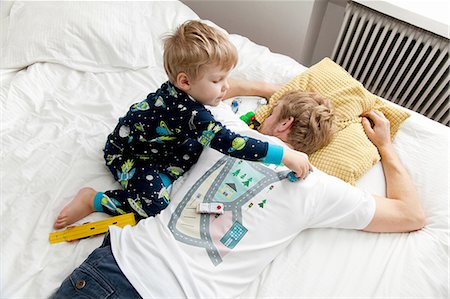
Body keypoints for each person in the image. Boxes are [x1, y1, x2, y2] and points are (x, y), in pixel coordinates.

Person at [52, 79, 425, 298]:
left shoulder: (227, 129)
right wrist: (385, 147)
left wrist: (268, 89)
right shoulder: (320, 189)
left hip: (118, 270)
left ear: (284, 123)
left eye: (270, 114)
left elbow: (212, 86)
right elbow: (410, 214)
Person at [53, 20, 312, 230]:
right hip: (129, 155)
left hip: (160, 147)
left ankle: (166, 171)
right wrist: (285, 155)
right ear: (185, 81)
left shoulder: (184, 94)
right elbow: (232, 144)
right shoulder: (190, 114)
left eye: (226, 78)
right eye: (217, 80)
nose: (225, 87)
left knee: (200, 150)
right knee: (156, 206)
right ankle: (94, 199)